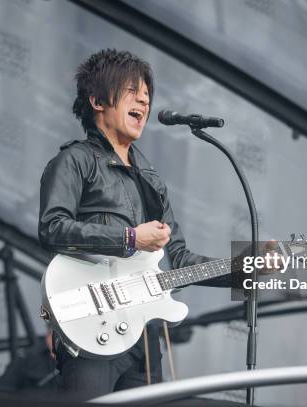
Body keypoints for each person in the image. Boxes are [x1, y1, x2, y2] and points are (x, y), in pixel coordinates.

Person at [38, 49, 230, 400]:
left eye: (146, 93)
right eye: (131, 90)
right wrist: (129, 238)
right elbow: (53, 228)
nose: (144, 98)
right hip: (92, 332)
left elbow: (180, 260)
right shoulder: (74, 161)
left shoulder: (151, 180)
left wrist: (246, 269)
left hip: (144, 336)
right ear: (97, 100)